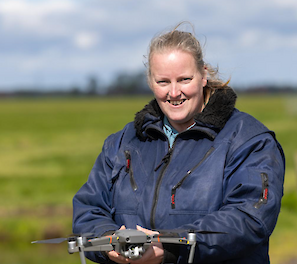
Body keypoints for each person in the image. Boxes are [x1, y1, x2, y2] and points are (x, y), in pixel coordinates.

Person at [72, 22, 285, 264]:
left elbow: (250, 218)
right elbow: (88, 211)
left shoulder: (249, 140)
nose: (174, 93)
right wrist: (110, 242)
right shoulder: (122, 143)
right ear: (151, 82)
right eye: (163, 82)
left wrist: (171, 246)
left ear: (203, 76)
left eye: (184, 79)